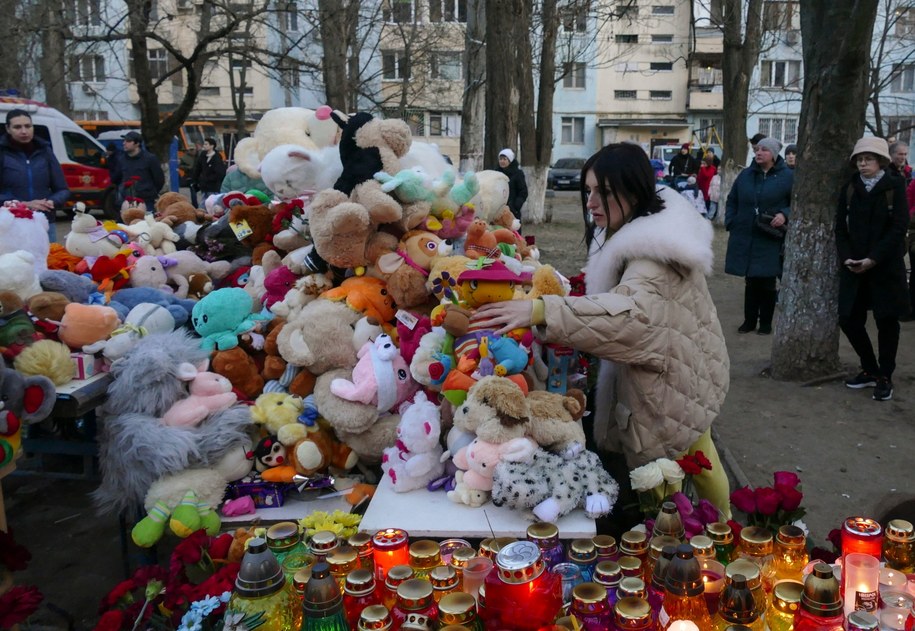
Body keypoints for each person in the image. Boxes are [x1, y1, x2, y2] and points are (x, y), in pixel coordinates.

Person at [471, 142, 732, 516]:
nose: (592, 201)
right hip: (686, 369)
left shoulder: (651, 257)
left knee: (671, 479)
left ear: (633, 188)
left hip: (669, 381)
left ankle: (709, 544)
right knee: (699, 457)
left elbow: (628, 318)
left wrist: (541, 310)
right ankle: (725, 534)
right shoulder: (653, 228)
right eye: (589, 190)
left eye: (604, 192)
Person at [836, 137, 909, 402]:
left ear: (881, 162)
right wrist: (847, 258)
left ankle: (885, 376)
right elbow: (840, 229)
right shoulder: (849, 188)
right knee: (848, 318)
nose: (863, 163)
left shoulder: (895, 186)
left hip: (885, 267)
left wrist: (874, 259)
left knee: (886, 321)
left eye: (868, 159)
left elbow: (899, 227)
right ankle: (870, 368)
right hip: (854, 267)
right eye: (859, 159)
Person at [725, 137, 794, 335]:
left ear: (773, 154)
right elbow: (732, 200)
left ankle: (765, 323)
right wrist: (732, 221)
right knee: (751, 280)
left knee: (767, 281)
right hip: (746, 234)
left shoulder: (787, 176)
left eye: (764, 149)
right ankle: (749, 321)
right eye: (757, 149)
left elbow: (796, 202)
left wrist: (784, 214)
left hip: (769, 236)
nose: (758, 153)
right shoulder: (746, 175)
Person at [0, 109, 70, 242]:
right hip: (10, 225)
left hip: (44, 223)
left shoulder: (45, 151)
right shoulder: (2, 153)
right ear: (8, 129)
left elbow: (62, 190)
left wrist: (51, 202)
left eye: (28, 126)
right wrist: (23, 204)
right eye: (17, 127)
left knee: (49, 261)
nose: (24, 131)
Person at [113, 131, 164, 211]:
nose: (124, 143)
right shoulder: (121, 159)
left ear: (137, 144)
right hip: (127, 201)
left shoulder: (150, 158)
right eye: (124, 141)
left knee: (146, 222)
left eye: (128, 141)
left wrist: (150, 192)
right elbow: (116, 178)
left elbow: (159, 180)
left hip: (146, 201)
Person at [497, 148, 527, 227]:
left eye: (504, 159)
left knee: (513, 233)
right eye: (500, 159)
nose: (502, 161)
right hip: (497, 209)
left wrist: (516, 206)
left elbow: (523, 192)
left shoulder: (517, 174)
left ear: (510, 160)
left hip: (512, 210)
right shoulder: (496, 173)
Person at [192, 137, 227, 201]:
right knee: (204, 203)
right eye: (204, 144)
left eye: (206, 144)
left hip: (213, 186)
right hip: (204, 186)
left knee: (212, 203)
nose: (204, 146)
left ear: (212, 146)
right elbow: (198, 168)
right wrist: (195, 180)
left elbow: (220, 173)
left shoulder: (217, 157)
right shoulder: (203, 155)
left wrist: (209, 179)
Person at [180, 142, 201, 206]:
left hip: (200, 176)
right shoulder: (184, 157)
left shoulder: (199, 155)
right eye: (190, 150)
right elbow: (180, 166)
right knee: (193, 191)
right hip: (190, 176)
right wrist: (188, 168)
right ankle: (195, 205)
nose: (192, 151)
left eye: (193, 149)